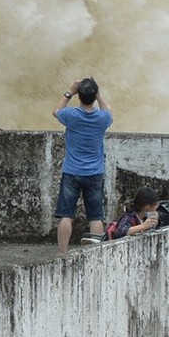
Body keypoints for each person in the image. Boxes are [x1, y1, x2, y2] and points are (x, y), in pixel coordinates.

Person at [53, 77, 111, 252]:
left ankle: (62, 254)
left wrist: (70, 91)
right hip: (94, 173)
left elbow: (56, 111)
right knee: (95, 217)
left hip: (71, 171)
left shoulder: (71, 115)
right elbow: (108, 110)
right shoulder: (102, 119)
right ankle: (96, 253)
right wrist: (98, 93)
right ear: (94, 96)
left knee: (66, 215)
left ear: (79, 96)